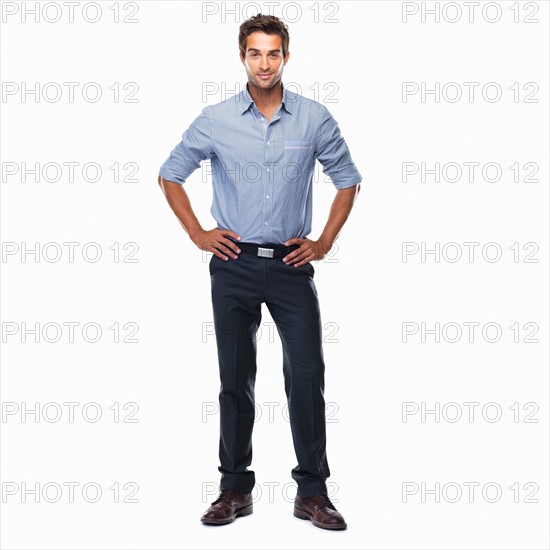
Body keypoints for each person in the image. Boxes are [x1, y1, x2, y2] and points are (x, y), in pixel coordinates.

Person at [158, 13, 362, 530]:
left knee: (307, 376)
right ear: (242, 56)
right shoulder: (216, 118)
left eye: (273, 53)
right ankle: (234, 489)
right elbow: (170, 174)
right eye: (255, 53)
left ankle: (312, 493)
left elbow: (348, 181)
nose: (264, 62)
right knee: (234, 380)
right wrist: (197, 233)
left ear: (286, 57)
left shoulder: (314, 119)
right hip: (233, 264)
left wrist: (324, 242)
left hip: (293, 266)